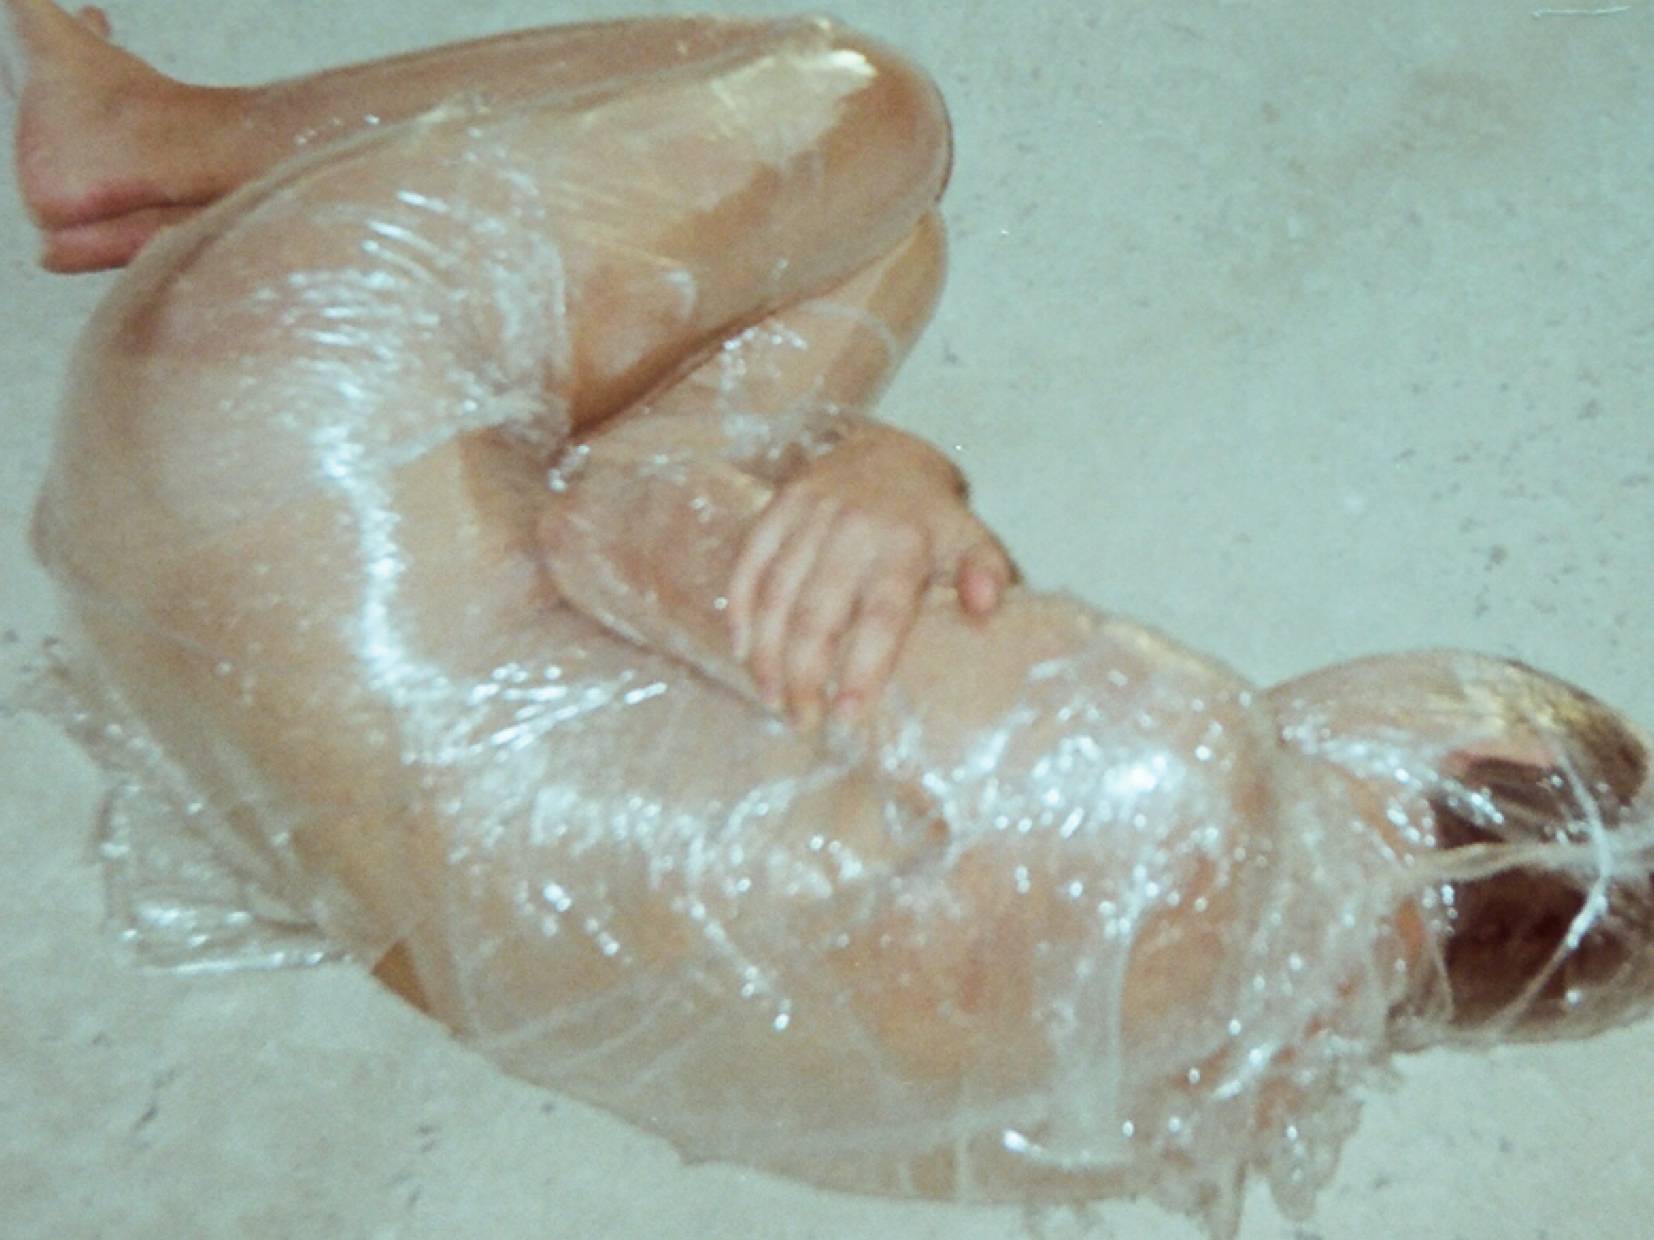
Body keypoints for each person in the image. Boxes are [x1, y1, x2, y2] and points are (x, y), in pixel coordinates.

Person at [8, 2, 1653, 1233]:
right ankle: (221, 202)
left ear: (1470, 751)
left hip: (251, 427)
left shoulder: (1182, 776)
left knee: (866, 121)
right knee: (880, 259)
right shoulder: (1164, 1113)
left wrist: (890, 476)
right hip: (220, 722)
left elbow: (611, 519)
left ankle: (169, 139)